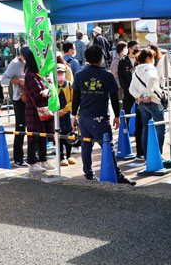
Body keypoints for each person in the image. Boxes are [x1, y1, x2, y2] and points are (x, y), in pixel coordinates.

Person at [71, 45, 135, 185]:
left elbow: (76, 97)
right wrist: (117, 116)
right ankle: (117, 175)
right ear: (101, 59)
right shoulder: (107, 76)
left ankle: (89, 175)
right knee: (107, 146)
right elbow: (114, 98)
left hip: (83, 117)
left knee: (86, 146)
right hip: (100, 118)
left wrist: (73, 116)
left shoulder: (79, 75)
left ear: (86, 59)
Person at [129, 48, 167, 156]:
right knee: (160, 127)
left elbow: (131, 89)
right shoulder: (150, 67)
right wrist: (148, 94)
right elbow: (152, 78)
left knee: (145, 128)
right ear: (148, 58)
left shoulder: (136, 70)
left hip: (142, 104)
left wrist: (140, 97)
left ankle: (147, 156)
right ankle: (157, 155)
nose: (154, 59)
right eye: (153, 57)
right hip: (153, 101)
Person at [23, 51, 55, 172]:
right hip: (34, 110)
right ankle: (32, 162)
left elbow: (45, 90)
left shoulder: (37, 74)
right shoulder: (30, 75)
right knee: (34, 136)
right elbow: (38, 93)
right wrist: (47, 91)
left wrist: (46, 91)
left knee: (43, 135)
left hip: (41, 110)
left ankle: (43, 160)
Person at [1, 46, 31, 167]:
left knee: (32, 128)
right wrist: (18, 81)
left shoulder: (30, 63)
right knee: (20, 128)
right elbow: (3, 79)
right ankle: (18, 158)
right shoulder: (14, 64)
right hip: (19, 99)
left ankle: (32, 156)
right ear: (21, 55)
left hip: (29, 98)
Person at [118, 40, 144, 159]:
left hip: (139, 93)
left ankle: (139, 138)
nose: (137, 50)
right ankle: (124, 136)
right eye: (135, 48)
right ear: (129, 49)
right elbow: (120, 76)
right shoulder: (123, 61)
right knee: (126, 113)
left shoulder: (140, 60)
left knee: (139, 114)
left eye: (139, 48)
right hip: (128, 92)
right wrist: (127, 88)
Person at [56, 64, 76, 166]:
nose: (60, 75)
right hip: (57, 115)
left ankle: (69, 155)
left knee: (69, 135)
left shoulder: (69, 85)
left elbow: (74, 100)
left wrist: (65, 110)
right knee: (58, 136)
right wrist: (57, 111)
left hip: (67, 114)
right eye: (58, 73)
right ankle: (61, 157)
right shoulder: (53, 87)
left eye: (62, 73)